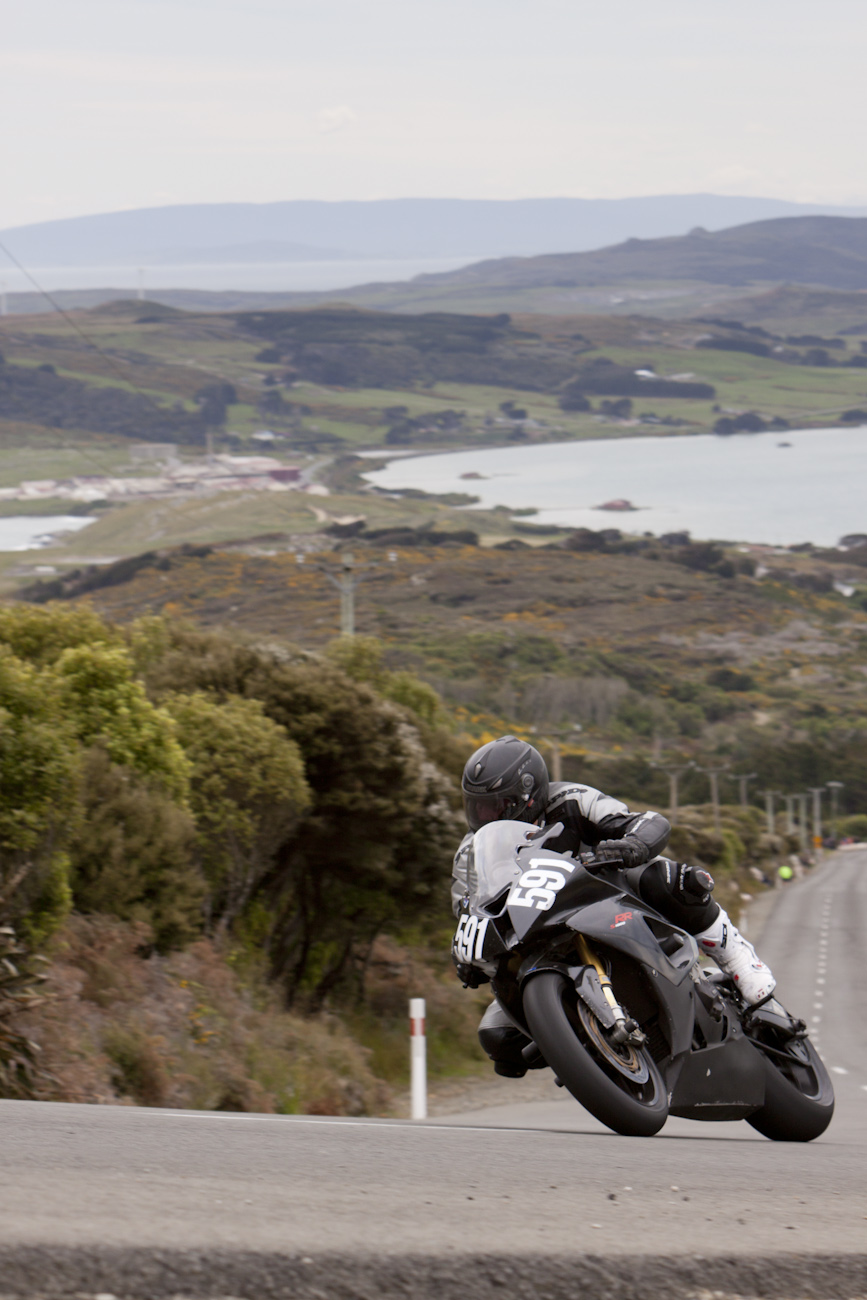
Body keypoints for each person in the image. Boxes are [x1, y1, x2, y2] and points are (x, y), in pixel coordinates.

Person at [452, 735, 776, 1078]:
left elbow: (646, 822)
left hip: (603, 900)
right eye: (478, 807)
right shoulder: (470, 854)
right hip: (534, 937)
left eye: (496, 806)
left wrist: (633, 844)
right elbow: (469, 909)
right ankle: (584, 1050)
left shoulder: (572, 799)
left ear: (528, 793)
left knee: (669, 878)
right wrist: (469, 956)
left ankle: (738, 957)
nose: (486, 816)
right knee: (498, 1038)